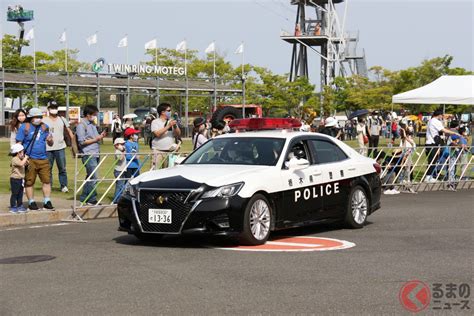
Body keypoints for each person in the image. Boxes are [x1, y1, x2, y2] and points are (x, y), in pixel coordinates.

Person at [16, 108, 55, 211]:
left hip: (43, 158)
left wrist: (50, 140)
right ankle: (31, 202)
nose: (39, 119)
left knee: (46, 181)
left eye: (40, 117)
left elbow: (50, 143)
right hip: (30, 158)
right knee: (29, 182)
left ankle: (47, 200)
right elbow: (19, 143)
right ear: (31, 118)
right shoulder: (24, 127)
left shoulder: (45, 127)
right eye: (37, 117)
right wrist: (21, 155)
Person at [76, 105, 107, 205]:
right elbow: (81, 141)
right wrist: (96, 139)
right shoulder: (81, 125)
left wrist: (100, 136)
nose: (95, 117)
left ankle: (84, 196)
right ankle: (91, 199)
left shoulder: (92, 124)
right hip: (88, 153)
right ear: (88, 114)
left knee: (90, 176)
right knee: (94, 177)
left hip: (96, 152)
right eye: (94, 115)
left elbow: (94, 137)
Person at [42, 102, 74, 193]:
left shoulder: (62, 119)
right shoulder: (44, 120)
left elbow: (69, 131)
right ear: (48, 109)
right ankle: (49, 185)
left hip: (60, 147)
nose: (54, 109)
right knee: (48, 169)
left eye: (55, 107)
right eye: (52, 107)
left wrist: (73, 143)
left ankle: (63, 186)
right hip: (48, 148)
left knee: (62, 168)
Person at [425, 109, 459, 182]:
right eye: (442, 115)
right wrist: (454, 133)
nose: (442, 117)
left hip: (432, 143)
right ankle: (428, 177)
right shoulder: (435, 121)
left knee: (433, 160)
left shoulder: (431, 121)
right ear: (439, 115)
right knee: (432, 160)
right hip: (432, 143)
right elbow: (443, 130)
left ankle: (430, 176)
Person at [151, 103, 181, 169]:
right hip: (158, 151)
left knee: (169, 172)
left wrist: (175, 126)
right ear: (162, 112)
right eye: (169, 110)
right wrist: (168, 126)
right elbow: (157, 134)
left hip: (170, 151)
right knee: (155, 171)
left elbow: (178, 134)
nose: (170, 112)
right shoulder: (155, 122)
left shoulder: (171, 121)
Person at [9, 143, 29, 213]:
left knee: (20, 193)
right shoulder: (15, 159)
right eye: (22, 152)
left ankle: (20, 205)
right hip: (15, 179)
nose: (23, 153)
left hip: (20, 179)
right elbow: (21, 164)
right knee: (15, 193)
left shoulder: (20, 159)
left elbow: (26, 163)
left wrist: (24, 159)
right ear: (18, 153)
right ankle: (13, 206)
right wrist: (25, 158)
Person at [112, 138, 126, 203]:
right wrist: (123, 152)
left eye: (124, 144)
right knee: (119, 186)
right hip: (118, 171)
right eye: (122, 144)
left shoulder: (121, 151)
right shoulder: (117, 151)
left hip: (122, 170)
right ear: (117, 145)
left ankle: (119, 199)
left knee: (121, 185)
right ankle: (116, 200)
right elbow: (120, 158)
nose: (124, 145)